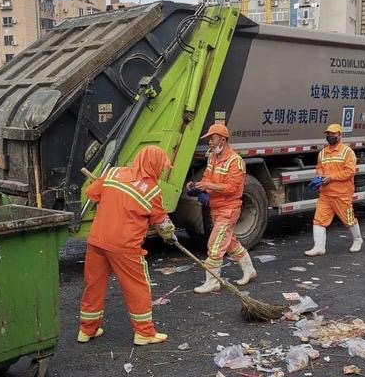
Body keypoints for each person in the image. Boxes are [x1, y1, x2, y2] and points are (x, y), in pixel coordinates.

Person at [78, 146, 176, 346]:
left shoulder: (113, 173)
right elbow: (162, 223)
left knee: (93, 285)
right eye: (161, 166)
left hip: (97, 240)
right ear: (154, 165)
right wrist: (170, 235)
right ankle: (144, 333)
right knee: (137, 287)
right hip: (125, 246)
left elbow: (91, 194)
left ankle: (86, 330)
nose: (161, 170)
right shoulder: (152, 190)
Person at [188, 123, 257, 294]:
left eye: (212, 138)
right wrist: (199, 188)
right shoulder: (212, 157)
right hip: (216, 208)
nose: (210, 142)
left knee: (215, 244)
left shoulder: (236, 161)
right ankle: (249, 270)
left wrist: (208, 185)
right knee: (230, 242)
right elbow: (207, 177)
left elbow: (232, 188)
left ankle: (213, 282)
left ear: (223, 140)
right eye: (209, 139)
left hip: (229, 209)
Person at [305, 123, 363, 256]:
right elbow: (320, 167)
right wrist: (320, 177)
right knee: (319, 220)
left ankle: (358, 240)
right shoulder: (322, 153)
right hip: (325, 194)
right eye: (328, 134)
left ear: (340, 135)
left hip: (342, 194)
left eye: (333, 134)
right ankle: (319, 247)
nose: (330, 137)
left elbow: (349, 172)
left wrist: (330, 177)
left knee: (348, 220)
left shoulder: (347, 152)